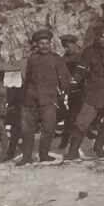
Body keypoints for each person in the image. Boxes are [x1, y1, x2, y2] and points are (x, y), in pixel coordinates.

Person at [66, 25, 104, 159]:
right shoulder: (89, 51)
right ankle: (73, 151)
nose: (103, 39)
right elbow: (81, 68)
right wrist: (75, 79)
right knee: (82, 121)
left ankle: (98, 146)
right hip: (94, 91)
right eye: (101, 36)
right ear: (96, 37)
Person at [15, 29, 72, 165]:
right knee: (27, 131)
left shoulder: (56, 59)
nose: (44, 46)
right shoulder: (31, 59)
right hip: (30, 100)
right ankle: (26, 157)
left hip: (48, 100)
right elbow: (25, 77)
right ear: (36, 45)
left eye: (47, 43)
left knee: (49, 128)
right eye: (41, 43)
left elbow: (64, 77)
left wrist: (63, 92)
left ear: (50, 44)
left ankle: (44, 155)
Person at [57, 33, 87, 149]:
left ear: (74, 44)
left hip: (87, 89)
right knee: (72, 116)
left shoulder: (84, 55)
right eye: (64, 46)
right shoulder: (64, 59)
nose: (65, 49)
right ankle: (66, 140)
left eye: (67, 46)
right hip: (74, 91)